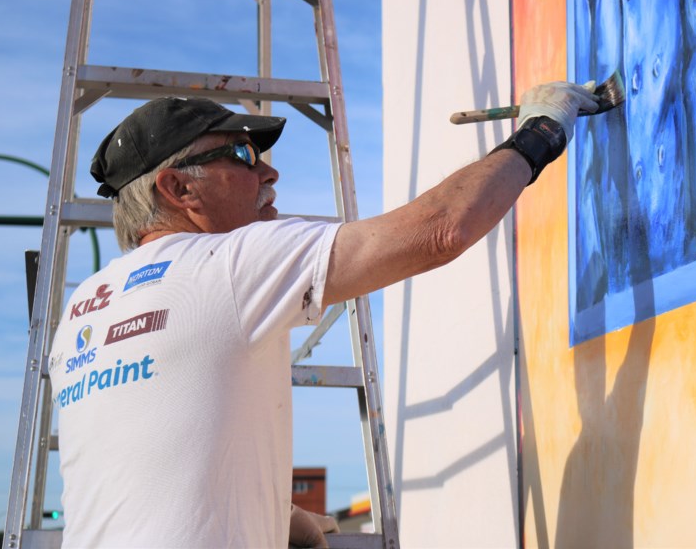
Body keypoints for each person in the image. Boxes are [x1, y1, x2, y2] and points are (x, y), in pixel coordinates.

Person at [48, 81, 598, 547]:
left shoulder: (85, 307)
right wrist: (541, 133)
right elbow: (441, 229)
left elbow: (149, 467)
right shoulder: (226, 261)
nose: (269, 175)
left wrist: (280, 518)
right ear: (179, 188)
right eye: (241, 156)